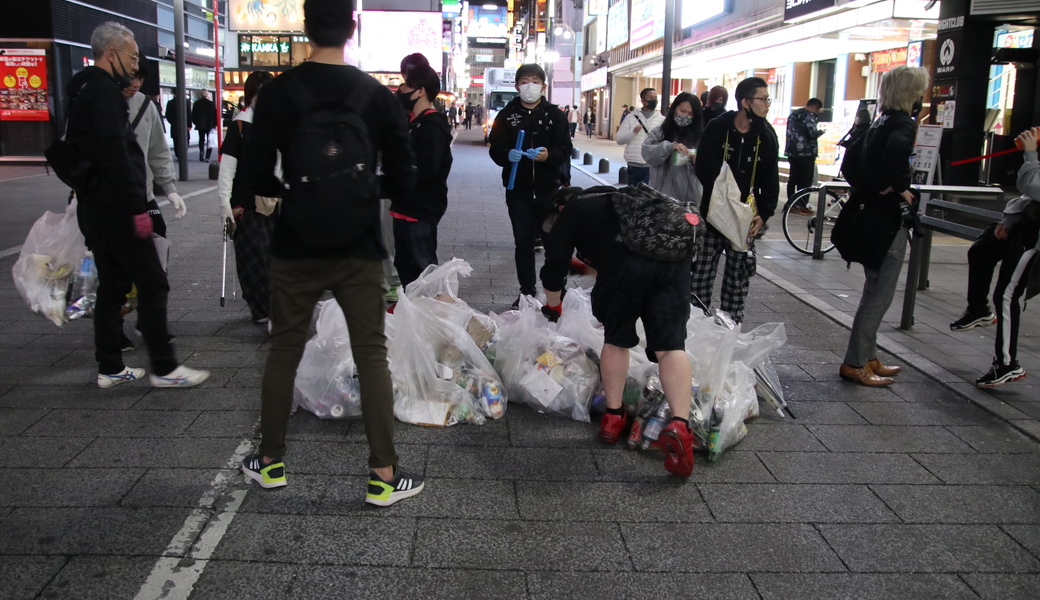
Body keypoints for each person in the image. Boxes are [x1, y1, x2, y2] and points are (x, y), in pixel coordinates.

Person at [241, 0, 423, 505]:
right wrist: (361, 188)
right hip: (360, 246)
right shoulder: (377, 96)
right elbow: (407, 180)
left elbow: (252, 174)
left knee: (284, 350)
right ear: (353, 27)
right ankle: (383, 476)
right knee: (371, 356)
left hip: (294, 244)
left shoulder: (279, 93)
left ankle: (271, 462)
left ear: (305, 26)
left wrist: (298, 191)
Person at [66, 21, 208, 389]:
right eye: (131, 56)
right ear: (111, 54)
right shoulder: (106, 94)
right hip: (118, 206)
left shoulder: (80, 89)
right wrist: (137, 209)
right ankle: (165, 368)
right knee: (153, 282)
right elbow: (119, 155)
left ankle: (110, 366)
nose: (134, 65)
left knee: (112, 283)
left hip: (93, 205)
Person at [540, 186, 696, 477]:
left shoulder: (572, 212)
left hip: (624, 273)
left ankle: (613, 418)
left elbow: (554, 267)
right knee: (671, 347)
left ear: (561, 207)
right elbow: (620, 252)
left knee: (616, 340)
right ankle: (680, 425)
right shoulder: (626, 202)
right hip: (674, 267)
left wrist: (553, 306)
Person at [837, 65, 929, 387]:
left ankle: (869, 355)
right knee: (879, 294)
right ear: (911, 93)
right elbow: (896, 154)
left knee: (873, 289)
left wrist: (870, 184)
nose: (922, 97)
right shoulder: (903, 123)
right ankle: (855, 362)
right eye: (919, 91)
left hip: (867, 215)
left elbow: (848, 163)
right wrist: (900, 184)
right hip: (887, 221)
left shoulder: (879, 121)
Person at [954, 128, 1038, 387]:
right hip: (1027, 228)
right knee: (981, 250)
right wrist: (1010, 220)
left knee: (1006, 295)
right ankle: (978, 309)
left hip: (1035, 240)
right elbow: (1029, 196)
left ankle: (1006, 364)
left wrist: (1031, 154)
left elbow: (1032, 185)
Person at [692, 77, 780, 324]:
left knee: (737, 279)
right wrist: (723, 194)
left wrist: (764, 212)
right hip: (713, 215)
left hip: (744, 218)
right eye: (762, 99)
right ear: (746, 102)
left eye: (767, 99)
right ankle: (695, 325)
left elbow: (770, 178)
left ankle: (728, 331)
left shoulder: (766, 136)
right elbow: (703, 167)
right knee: (701, 276)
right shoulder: (718, 128)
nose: (767, 104)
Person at [488, 63, 572, 308]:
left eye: (535, 81)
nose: (530, 86)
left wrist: (549, 156)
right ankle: (526, 293)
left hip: (549, 190)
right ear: (517, 86)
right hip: (518, 191)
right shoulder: (506, 115)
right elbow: (495, 147)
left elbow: (565, 149)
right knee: (523, 242)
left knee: (553, 244)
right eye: (525, 81)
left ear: (543, 86)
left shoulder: (554, 114)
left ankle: (557, 292)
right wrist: (507, 154)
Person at [217, 70, 276, 324]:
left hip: (272, 203)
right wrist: (224, 207)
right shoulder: (240, 126)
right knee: (256, 257)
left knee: (271, 257)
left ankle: (266, 308)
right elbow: (226, 171)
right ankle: (262, 307)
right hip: (247, 205)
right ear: (251, 95)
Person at [391, 63, 453, 290]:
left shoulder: (431, 126)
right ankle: (414, 313)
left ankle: (433, 315)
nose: (401, 90)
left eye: (407, 85)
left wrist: (397, 172)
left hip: (421, 207)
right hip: (403, 205)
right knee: (404, 264)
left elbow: (427, 169)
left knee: (423, 267)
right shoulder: (411, 123)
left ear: (421, 91)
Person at [123, 68, 187, 239]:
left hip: (143, 193)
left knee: (157, 234)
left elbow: (158, 150)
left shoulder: (146, 105)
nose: (136, 84)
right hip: (108, 197)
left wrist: (169, 188)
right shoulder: (99, 102)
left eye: (140, 78)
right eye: (131, 77)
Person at [641, 92, 703, 205]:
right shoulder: (660, 132)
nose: (685, 116)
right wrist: (669, 147)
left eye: (690, 114)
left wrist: (697, 161)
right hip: (661, 198)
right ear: (674, 109)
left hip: (689, 201)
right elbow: (647, 153)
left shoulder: (699, 137)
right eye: (682, 111)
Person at [617, 87, 664, 187]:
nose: (654, 100)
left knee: (647, 197)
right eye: (651, 97)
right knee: (633, 196)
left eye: (655, 97)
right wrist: (633, 133)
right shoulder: (631, 117)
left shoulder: (662, 120)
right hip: (633, 164)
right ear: (643, 100)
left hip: (652, 165)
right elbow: (619, 140)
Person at [785, 98, 825, 204]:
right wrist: (821, 132)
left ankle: (791, 203)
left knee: (793, 178)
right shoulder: (809, 116)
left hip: (792, 152)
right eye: (817, 110)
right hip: (806, 153)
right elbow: (812, 133)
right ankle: (802, 204)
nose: (816, 113)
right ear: (814, 107)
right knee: (805, 180)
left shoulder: (793, 115)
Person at [190, 90, 216, 161]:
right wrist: (215, 124)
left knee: (201, 139)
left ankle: (201, 152)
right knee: (210, 140)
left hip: (200, 124)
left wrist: (195, 122)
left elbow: (193, 114)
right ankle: (208, 156)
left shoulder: (197, 103)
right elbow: (214, 114)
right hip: (210, 124)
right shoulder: (211, 104)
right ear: (207, 95)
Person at [165, 93, 190, 161]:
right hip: (184, 125)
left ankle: (179, 155)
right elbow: (189, 114)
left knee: (176, 142)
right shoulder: (185, 102)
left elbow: (167, 115)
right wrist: (189, 124)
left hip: (174, 126)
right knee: (186, 140)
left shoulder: (170, 103)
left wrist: (172, 122)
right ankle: (183, 154)